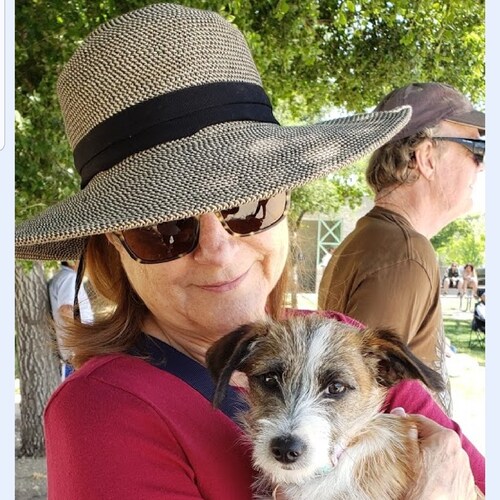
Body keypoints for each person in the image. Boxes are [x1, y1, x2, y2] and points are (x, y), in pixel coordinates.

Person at [14, 5, 483, 498]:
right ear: (115, 243)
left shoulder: (342, 338)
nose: (218, 251)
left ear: (286, 201)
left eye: (249, 206)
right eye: (165, 228)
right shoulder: (104, 409)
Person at [318, 82, 485, 416]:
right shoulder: (405, 252)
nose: (481, 166)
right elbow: (360, 412)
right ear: (426, 157)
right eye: (476, 150)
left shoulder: (371, 238)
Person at [48, 261, 94, 380]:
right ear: (72, 261)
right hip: (77, 352)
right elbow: (66, 310)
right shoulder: (70, 277)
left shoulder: (65, 276)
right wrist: (79, 347)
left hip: (75, 351)